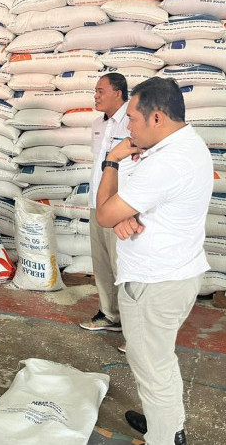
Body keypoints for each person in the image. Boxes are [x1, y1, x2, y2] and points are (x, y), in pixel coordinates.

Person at [96, 77, 212, 445]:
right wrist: (121, 215)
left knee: (153, 368)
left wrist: (111, 161)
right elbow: (123, 210)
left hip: (154, 283)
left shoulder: (168, 161)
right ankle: (165, 421)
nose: (127, 127)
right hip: (175, 273)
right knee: (160, 362)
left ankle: (165, 437)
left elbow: (103, 213)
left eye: (131, 118)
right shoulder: (184, 146)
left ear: (157, 118)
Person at [79, 73, 134, 347]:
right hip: (97, 203)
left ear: (119, 93)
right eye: (95, 91)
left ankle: (134, 329)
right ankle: (109, 314)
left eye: (100, 91)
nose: (96, 96)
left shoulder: (134, 120)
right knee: (101, 263)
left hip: (121, 205)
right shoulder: (97, 125)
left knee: (123, 266)